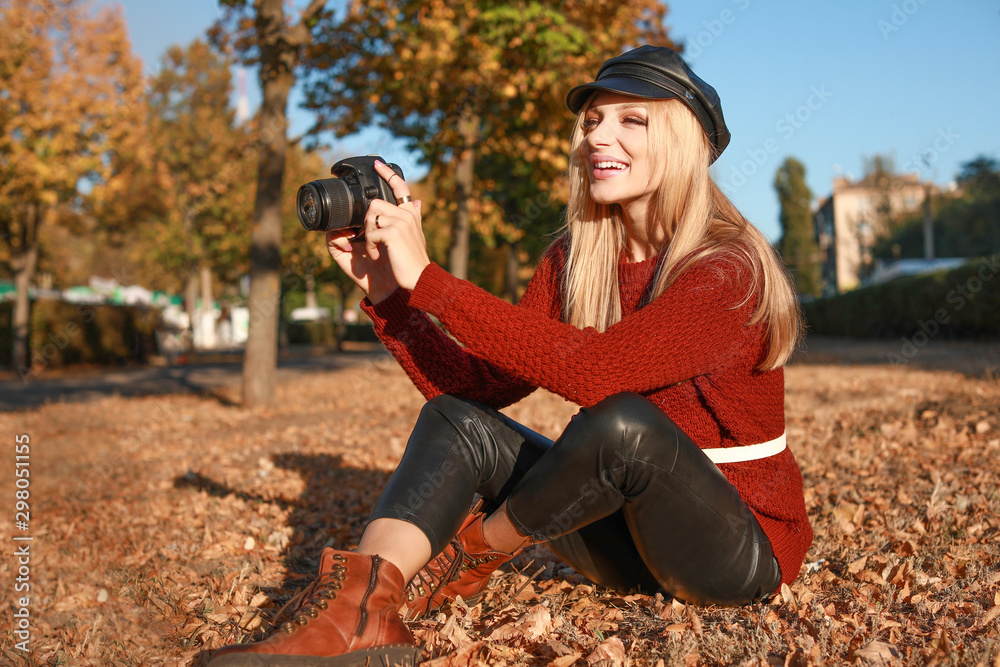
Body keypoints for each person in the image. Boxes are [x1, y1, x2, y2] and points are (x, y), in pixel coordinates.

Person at [207, 45, 813, 667]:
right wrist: (391, 296)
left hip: (735, 554)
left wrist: (431, 279)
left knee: (619, 421)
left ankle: (474, 550)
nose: (600, 136)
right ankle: (361, 615)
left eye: (632, 120)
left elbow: (600, 373)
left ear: (684, 142)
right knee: (454, 419)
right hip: (622, 541)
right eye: (593, 122)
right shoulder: (575, 259)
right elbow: (482, 386)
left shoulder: (728, 269)